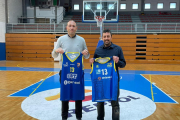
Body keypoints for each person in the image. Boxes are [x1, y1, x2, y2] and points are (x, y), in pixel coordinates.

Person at [52, 20, 90, 120]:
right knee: (65, 95)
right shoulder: (61, 39)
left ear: (76, 28)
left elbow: (87, 56)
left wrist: (86, 53)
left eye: (73, 26)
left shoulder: (82, 40)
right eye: (70, 26)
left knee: (78, 95)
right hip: (64, 72)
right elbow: (53, 54)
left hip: (78, 72)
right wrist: (56, 50)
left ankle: (79, 117)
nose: (72, 28)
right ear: (67, 28)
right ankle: (64, 117)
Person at [89, 29, 126, 120]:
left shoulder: (118, 49)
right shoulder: (98, 50)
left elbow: (123, 64)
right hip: (101, 81)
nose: (106, 38)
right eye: (104, 36)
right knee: (100, 102)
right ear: (102, 38)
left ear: (111, 37)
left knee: (115, 102)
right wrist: (91, 62)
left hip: (113, 80)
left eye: (108, 36)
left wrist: (117, 61)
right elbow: (94, 65)